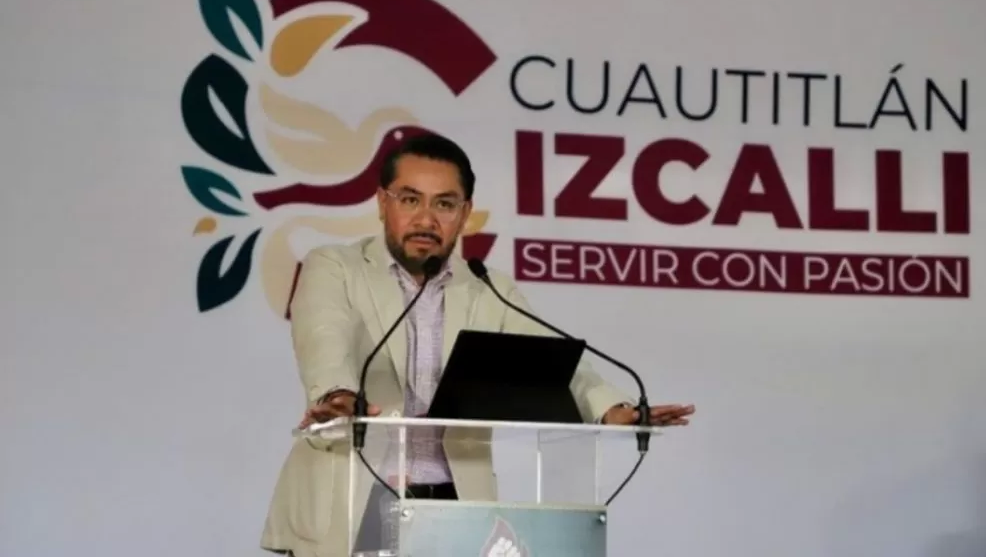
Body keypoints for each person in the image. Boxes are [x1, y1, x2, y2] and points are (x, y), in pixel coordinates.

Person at [259, 133, 695, 557]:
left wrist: (609, 408)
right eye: (410, 199)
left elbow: (551, 360)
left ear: (465, 212)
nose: (426, 219)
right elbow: (324, 335)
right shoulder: (335, 267)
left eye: (444, 204)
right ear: (382, 202)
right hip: (357, 496)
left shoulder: (489, 288)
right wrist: (337, 393)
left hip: (456, 505)